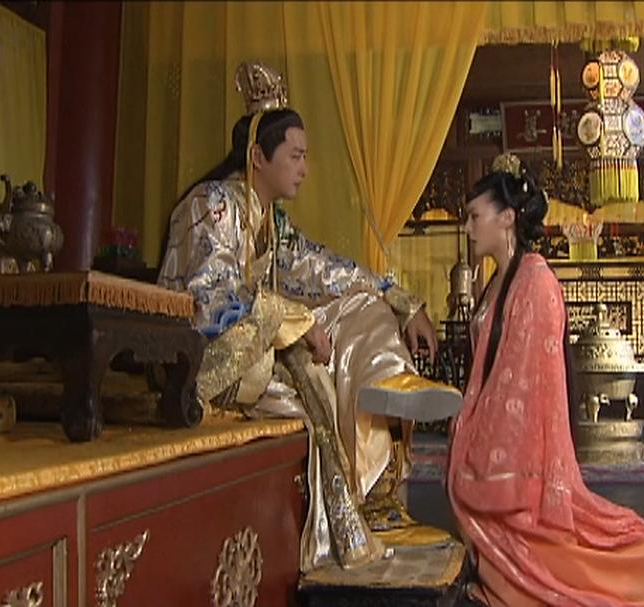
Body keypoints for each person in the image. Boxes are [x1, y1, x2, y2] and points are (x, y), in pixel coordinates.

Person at [157, 61, 461, 572]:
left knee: (362, 304)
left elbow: (325, 270)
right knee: (317, 380)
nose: (304, 168)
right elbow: (207, 298)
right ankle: (360, 508)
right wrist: (295, 322)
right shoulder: (212, 205)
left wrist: (400, 299)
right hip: (208, 363)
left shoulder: (271, 224)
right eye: (295, 156)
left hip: (259, 346)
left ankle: (388, 389)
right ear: (258, 156)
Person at [448, 153, 644, 605]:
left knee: (568, 562)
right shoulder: (497, 281)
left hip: (518, 444)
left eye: (475, 217)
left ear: (508, 218)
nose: (468, 228)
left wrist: (479, 436)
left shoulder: (534, 281)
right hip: (488, 428)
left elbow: (522, 385)